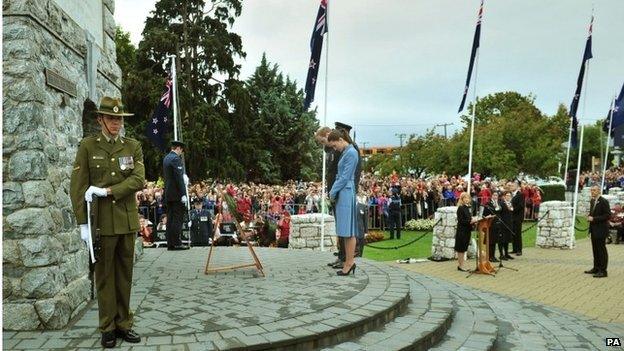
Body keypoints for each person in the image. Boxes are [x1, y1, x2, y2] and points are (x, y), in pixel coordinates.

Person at [70, 96, 144, 348]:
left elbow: (138, 180)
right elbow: (77, 187)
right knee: (104, 276)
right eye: (111, 118)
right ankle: (107, 327)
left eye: (119, 118)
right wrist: (82, 224)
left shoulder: (132, 146)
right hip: (100, 222)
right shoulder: (88, 146)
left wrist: (109, 191)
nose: (116, 123)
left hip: (126, 221)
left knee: (124, 275)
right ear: (101, 119)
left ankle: (124, 323)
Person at [328, 129, 359, 276]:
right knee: (345, 231)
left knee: (349, 231)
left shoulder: (351, 152)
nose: (335, 149)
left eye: (334, 145)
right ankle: (348, 262)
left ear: (341, 139)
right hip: (344, 192)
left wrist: (332, 192)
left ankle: (349, 262)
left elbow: (344, 177)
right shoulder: (347, 152)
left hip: (346, 192)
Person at [163, 140, 189, 250]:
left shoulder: (166, 158)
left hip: (169, 193)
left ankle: (171, 243)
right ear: (178, 148)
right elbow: (179, 178)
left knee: (170, 218)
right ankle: (177, 242)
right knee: (177, 219)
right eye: (181, 151)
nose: (181, 153)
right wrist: (183, 194)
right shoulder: (175, 159)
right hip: (176, 193)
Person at [585, 186, 610, 278]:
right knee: (595, 249)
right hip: (594, 230)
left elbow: (607, 215)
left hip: (601, 230)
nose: (592, 192)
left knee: (601, 250)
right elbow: (593, 214)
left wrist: (594, 218)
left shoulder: (604, 201)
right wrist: (589, 216)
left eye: (594, 190)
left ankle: (603, 271)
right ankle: (596, 267)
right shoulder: (592, 201)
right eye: (591, 190)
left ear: (599, 191)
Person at [455, 192, 476, 272]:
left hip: (467, 230)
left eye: (468, 198)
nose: (467, 200)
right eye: (465, 198)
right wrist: (470, 221)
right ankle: (460, 266)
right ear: (462, 199)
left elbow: (468, 218)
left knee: (464, 248)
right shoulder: (461, 208)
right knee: (461, 249)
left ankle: (462, 265)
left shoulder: (468, 207)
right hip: (462, 231)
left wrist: (473, 221)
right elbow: (461, 220)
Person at [482, 191, 501, 263]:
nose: (495, 197)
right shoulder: (488, 204)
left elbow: (499, 212)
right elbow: (484, 214)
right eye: (494, 195)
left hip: (497, 224)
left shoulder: (499, 203)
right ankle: (490, 256)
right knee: (490, 241)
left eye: (497, 195)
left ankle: (493, 256)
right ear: (492, 196)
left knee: (494, 241)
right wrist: (488, 216)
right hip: (490, 224)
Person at [499, 191, 515, 260]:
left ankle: (506, 253)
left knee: (507, 239)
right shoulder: (502, 203)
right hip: (503, 224)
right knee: (502, 240)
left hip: (509, 223)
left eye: (509, 195)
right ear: (504, 196)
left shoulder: (510, 203)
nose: (508, 197)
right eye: (507, 195)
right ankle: (501, 254)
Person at [510, 181, 524, 256]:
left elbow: (521, 206)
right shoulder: (511, 195)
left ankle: (519, 250)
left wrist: (513, 209)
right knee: (513, 233)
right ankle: (514, 249)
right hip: (512, 217)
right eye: (511, 185)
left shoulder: (520, 195)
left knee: (518, 233)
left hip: (518, 217)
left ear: (517, 186)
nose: (511, 187)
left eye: (513, 185)